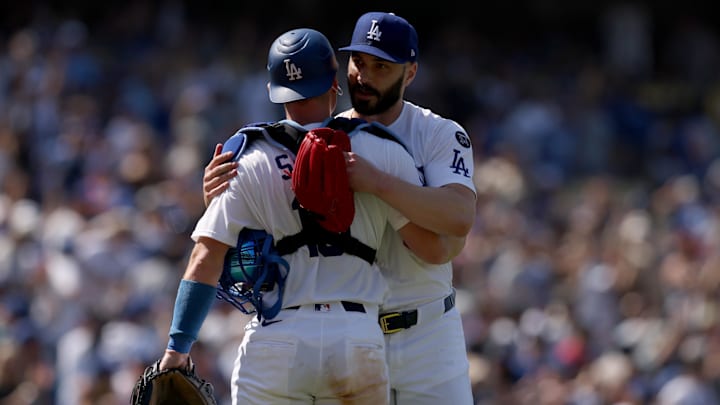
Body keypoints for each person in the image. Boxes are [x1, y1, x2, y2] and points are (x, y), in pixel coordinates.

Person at [159, 27, 453, 404]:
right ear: (335, 83)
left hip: (276, 339)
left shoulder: (243, 158)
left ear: (272, 90)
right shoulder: (381, 151)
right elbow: (432, 249)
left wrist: (177, 348)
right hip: (356, 337)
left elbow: (204, 259)